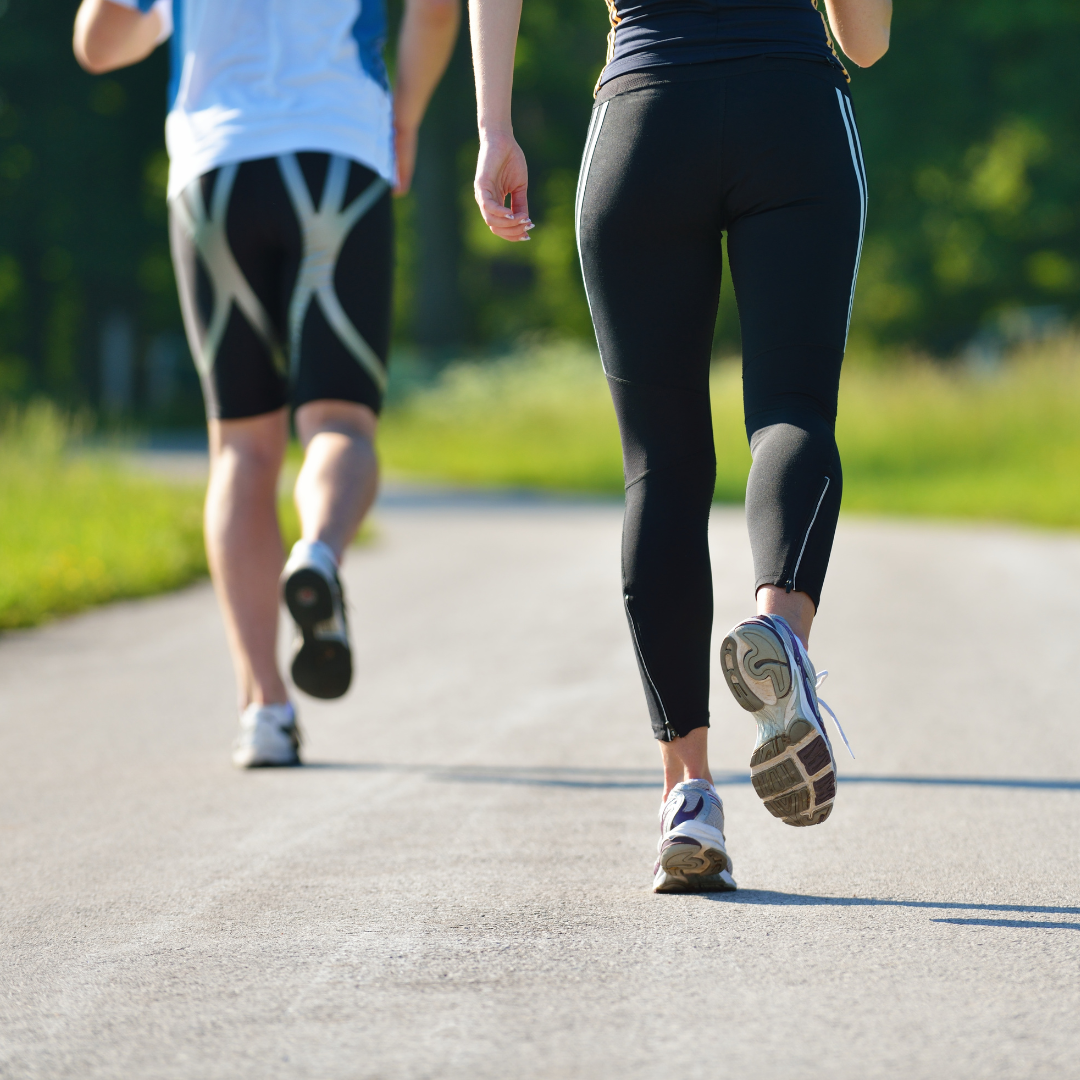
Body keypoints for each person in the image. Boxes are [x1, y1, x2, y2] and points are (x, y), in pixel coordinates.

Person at [471, 0, 890, 890]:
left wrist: (495, 127)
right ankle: (780, 633)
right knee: (792, 411)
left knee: (659, 465)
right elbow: (868, 39)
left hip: (643, 114)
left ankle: (688, 797)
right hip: (793, 107)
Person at [73, 0, 460, 767]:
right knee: (340, 425)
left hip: (214, 164)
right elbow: (439, 9)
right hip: (340, 148)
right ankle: (316, 552)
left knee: (241, 452)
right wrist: (405, 119)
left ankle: (265, 711)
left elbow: (98, 40)